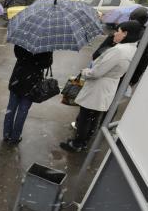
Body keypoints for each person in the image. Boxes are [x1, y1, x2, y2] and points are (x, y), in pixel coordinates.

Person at [60, 20, 143, 152]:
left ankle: (77, 144)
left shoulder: (118, 51)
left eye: (118, 31)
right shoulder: (133, 49)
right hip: (108, 86)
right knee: (93, 117)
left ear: (126, 34)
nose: (115, 33)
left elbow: (96, 72)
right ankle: (84, 142)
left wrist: (85, 71)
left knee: (85, 117)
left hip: (99, 86)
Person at [3, 45, 53, 145]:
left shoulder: (24, 37)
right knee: (23, 110)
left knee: (11, 108)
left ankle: (6, 134)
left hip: (18, 77)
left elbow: (17, 53)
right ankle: (15, 137)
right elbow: (46, 63)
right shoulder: (46, 44)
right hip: (32, 82)